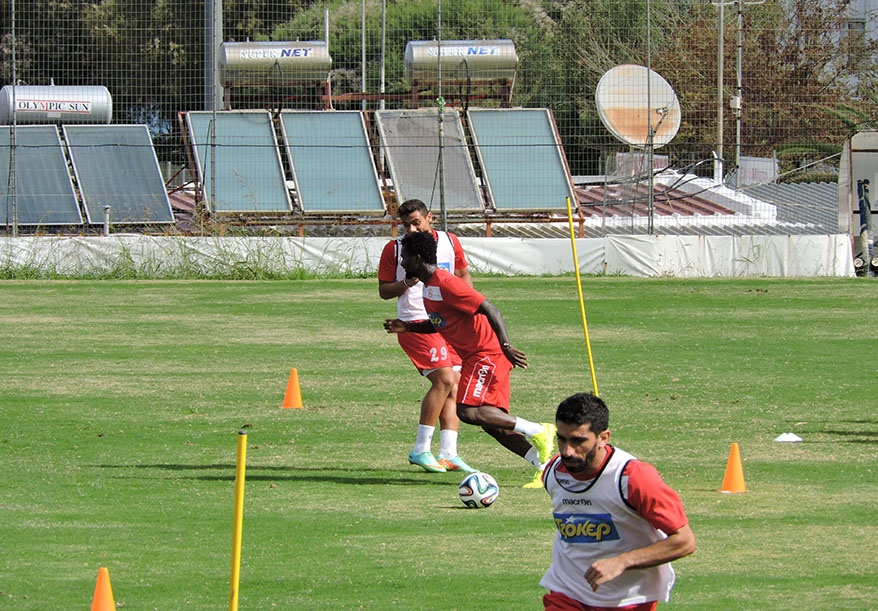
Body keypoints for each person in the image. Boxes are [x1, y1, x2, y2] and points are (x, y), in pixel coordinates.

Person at [383, 229, 556, 487]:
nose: (402, 263)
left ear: (418, 258)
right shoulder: (429, 287)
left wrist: (506, 345)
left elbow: (489, 308)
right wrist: (408, 327)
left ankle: (539, 430)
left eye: (405, 257)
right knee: (493, 424)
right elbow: (439, 323)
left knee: (467, 410)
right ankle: (544, 469)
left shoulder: (446, 282)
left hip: (487, 354)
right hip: (477, 356)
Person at [539, 393, 696, 611]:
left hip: (627, 600)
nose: (567, 451)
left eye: (578, 441)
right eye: (561, 439)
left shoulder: (633, 477)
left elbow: (684, 541)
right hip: (568, 592)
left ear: (603, 437)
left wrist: (621, 561)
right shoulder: (554, 472)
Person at [378, 199, 476, 474]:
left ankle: (449, 454)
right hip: (414, 322)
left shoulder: (449, 242)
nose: (410, 229)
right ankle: (421, 449)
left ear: (429, 218)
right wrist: (409, 281)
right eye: (405, 224)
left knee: (454, 385)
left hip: (448, 323)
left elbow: (463, 275)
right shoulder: (395, 249)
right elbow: (384, 291)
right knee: (444, 379)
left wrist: (466, 307)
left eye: (415, 223)